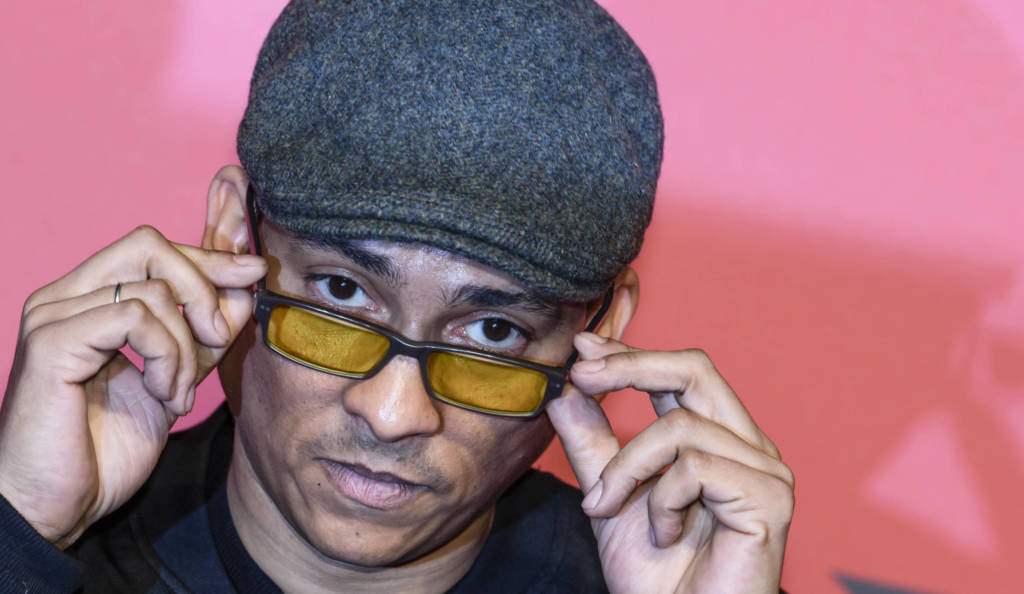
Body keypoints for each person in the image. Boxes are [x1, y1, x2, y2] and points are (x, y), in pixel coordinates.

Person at [0, 1, 794, 592]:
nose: (392, 413)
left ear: (605, 330)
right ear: (234, 239)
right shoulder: (40, 543)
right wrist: (17, 533)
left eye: (493, 331)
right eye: (343, 293)